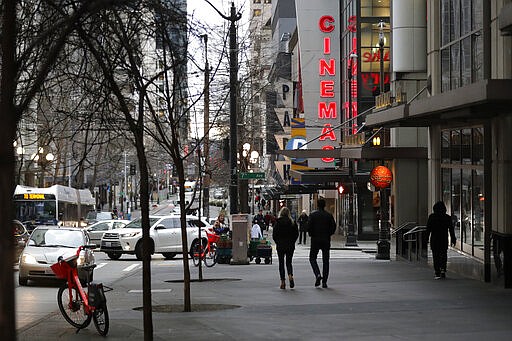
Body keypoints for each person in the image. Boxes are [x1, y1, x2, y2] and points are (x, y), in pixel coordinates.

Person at [308, 198, 336, 288]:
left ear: (317, 205)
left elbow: (309, 227)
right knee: (326, 261)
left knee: (312, 258)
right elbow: (333, 227)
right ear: (324, 205)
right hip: (325, 240)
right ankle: (324, 282)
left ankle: (317, 274)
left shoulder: (313, 215)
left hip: (315, 239)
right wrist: (329, 234)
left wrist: (312, 234)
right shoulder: (328, 215)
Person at [426, 201, 456, 279]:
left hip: (435, 239)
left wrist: (425, 239)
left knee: (435, 255)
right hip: (443, 239)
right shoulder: (447, 217)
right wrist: (453, 238)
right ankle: (443, 269)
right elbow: (451, 230)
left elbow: (428, 229)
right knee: (443, 254)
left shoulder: (432, 217)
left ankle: (437, 272)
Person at [272, 206, 299, 290]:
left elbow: (274, 235)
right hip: (290, 245)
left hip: (280, 245)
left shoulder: (278, 223)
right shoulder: (292, 223)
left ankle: (283, 282)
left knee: (281, 263)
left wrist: (277, 242)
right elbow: (296, 234)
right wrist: (293, 241)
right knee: (289, 262)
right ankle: (290, 275)